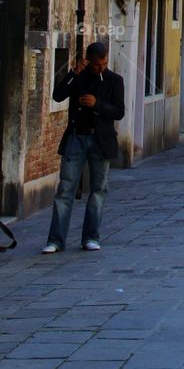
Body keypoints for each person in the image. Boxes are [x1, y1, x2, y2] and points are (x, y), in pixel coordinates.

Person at [43, 42, 125, 253]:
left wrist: (96, 103)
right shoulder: (78, 77)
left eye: (104, 64)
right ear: (88, 61)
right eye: (97, 65)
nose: (101, 68)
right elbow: (58, 95)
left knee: (98, 189)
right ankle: (55, 240)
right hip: (76, 137)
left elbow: (118, 111)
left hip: (101, 140)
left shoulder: (114, 80)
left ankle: (91, 237)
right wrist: (72, 73)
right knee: (65, 188)